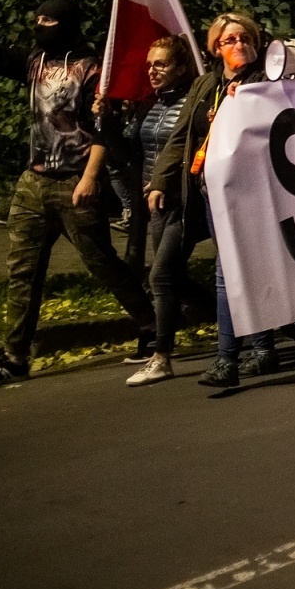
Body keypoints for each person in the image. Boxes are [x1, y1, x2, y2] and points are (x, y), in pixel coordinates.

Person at [0, 0, 157, 386]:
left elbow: (103, 126)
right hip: (33, 183)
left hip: (75, 182)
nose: (39, 24)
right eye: (36, 18)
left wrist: (90, 177)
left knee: (100, 261)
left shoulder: (92, 69)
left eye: (47, 19)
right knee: (22, 273)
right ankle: (15, 357)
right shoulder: (33, 62)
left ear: (65, 24)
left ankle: (150, 326)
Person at [147, 12, 276, 390]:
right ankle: (263, 349)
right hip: (209, 192)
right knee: (237, 269)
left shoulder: (265, 80)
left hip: (253, 192)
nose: (240, 46)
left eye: (245, 38)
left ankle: (226, 359)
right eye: (230, 40)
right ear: (215, 48)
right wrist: (160, 180)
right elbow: (182, 135)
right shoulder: (206, 84)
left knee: (229, 271)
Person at [122, 37, 207, 385]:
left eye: (161, 64)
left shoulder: (193, 106)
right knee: (174, 278)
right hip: (153, 204)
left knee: (160, 276)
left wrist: (168, 182)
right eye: (150, 64)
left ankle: (161, 357)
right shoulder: (150, 104)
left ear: (182, 68)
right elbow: (128, 148)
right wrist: (105, 120)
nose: (153, 70)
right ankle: (239, 318)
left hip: (182, 202)